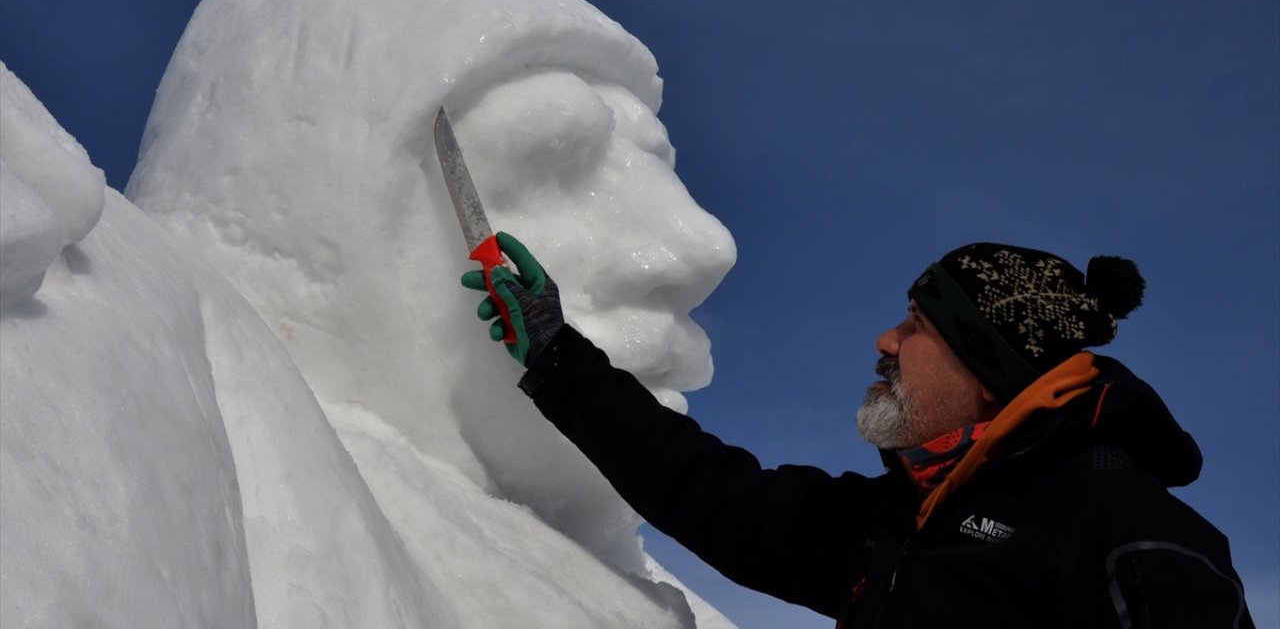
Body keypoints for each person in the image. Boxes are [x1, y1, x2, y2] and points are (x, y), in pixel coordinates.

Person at [464, 234, 1256, 628]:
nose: (886, 341)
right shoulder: (897, 525)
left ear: (989, 368)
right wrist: (557, 355)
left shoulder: (1126, 532)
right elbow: (714, 494)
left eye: (916, 325)